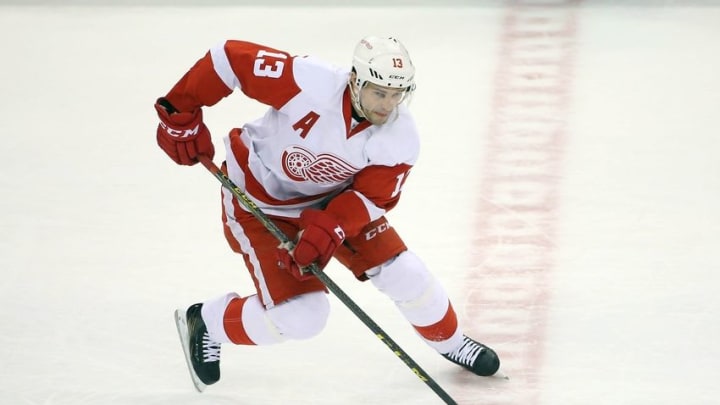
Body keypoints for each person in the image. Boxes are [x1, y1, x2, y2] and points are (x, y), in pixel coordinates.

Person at [154, 35, 501, 392]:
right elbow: (227, 60)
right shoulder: (309, 81)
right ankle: (207, 322)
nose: (388, 105)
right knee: (303, 318)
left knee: (405, 273)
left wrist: (331, 228)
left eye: (398, 95)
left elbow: (371, 198)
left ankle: (452, 342)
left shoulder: (401, 138)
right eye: (379, 93)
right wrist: (179, 110)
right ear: (355, 80)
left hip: (331, 202)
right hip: (260, 202)